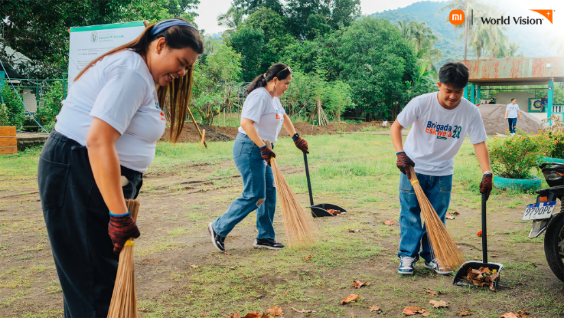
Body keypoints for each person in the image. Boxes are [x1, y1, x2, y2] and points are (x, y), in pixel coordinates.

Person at [37, 19, 204, 317]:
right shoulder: (131, 72)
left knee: (93, 282)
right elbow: (99, 140)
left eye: (187, 68)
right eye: (181, 62)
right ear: (160, 44)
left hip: (88, 174)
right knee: (95, 286)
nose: (181, 73)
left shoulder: (140, 74)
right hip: (78, 173)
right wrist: (118, 214)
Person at [390, 61, 493, 276]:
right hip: (413, 169)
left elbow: (479, 142)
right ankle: (407, 256)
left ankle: (433, 256)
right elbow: (396, 126)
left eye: (458, 92)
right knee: (410, 214)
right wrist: (401, 154)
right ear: (439, 84)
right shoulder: (421, 103)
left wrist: (487, 172)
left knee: (437, 217)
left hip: (443, 172)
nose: (453, 97)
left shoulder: (470, 111)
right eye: (448, 91)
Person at [208, 63, 308, 252]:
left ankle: (265, 237)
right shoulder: (259, 96)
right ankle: (218, 227)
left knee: (269, 193)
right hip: (249, 148)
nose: (287, 87)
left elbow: (283, 116)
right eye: (286, 83)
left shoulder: (273, 97)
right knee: (255, 195)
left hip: (263, 150)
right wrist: (262, 146)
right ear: (275, 80)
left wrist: (296, 137)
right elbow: (246, 123)